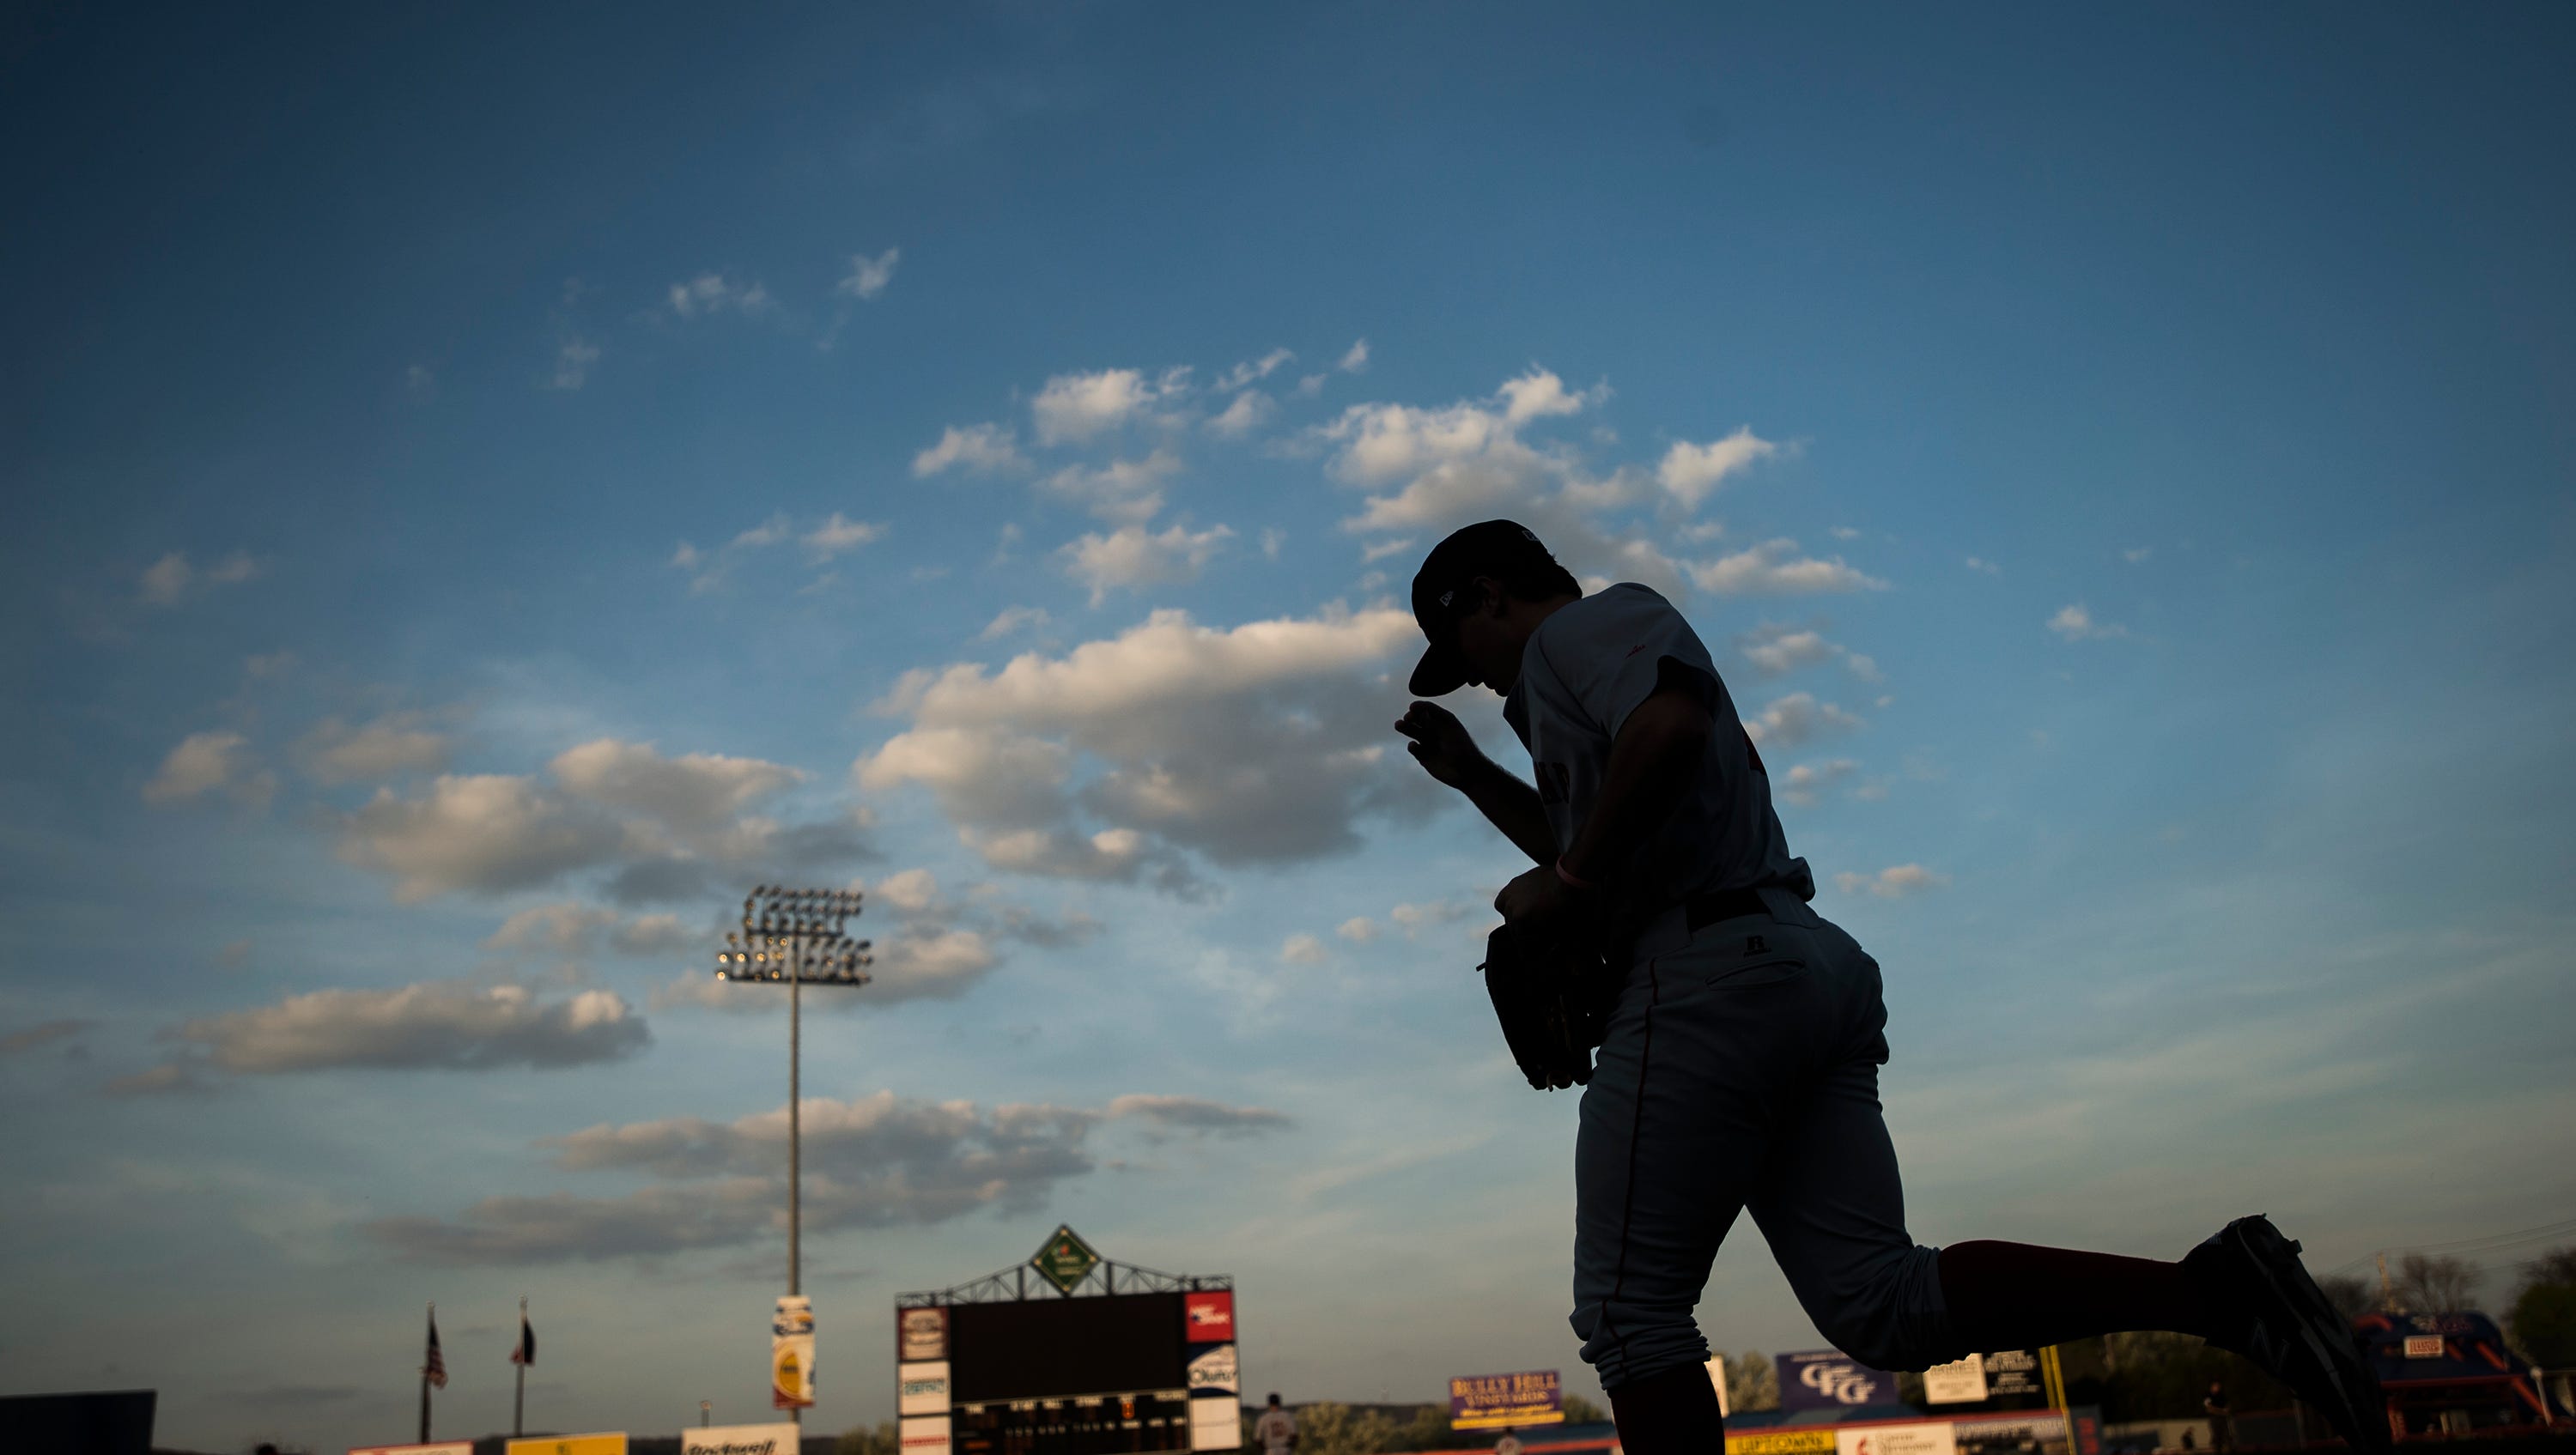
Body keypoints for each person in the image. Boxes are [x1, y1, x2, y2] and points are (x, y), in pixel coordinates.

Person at [1391, 521, 2388, 1455]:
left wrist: (1569, 887)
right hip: (1784, 961)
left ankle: (2218, 1294)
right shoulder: (1575, 675)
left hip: (1706, 977)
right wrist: (1479, 779)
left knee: (1629, 1311)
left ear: (1486, 596)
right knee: (1880, 1301)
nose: (1473, 676)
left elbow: (1671, 729)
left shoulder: (1586, 626)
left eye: (1461, 644)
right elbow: (1605, 821)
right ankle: (2217, 1296)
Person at [1254, 1391, 1297, 1455]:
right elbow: (1294, 1435)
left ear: (1269, 1403)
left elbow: (1258, 1439)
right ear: (1279, 1402)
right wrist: (1290, 1446)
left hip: (1270, 1450)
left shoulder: (1263, 1418)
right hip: (1285, 1449)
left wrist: (1264, 1449)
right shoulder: (1287, 1416)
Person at [2203, 1381, 2234, 1451]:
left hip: (2223, 1418)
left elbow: (2227, 1407)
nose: (2217, 1388)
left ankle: (2230, 1449)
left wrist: (2223, 1411)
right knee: (2217, 1436)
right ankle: (2218, 1450)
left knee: (2227, 1435)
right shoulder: (2208, 1397)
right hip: (2214, 1418)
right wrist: (2221, 1411)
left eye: (2218, 1387)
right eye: (2216, 1386)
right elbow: (2209, 1408)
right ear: (2212, 1388)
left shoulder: (2222, 1396)